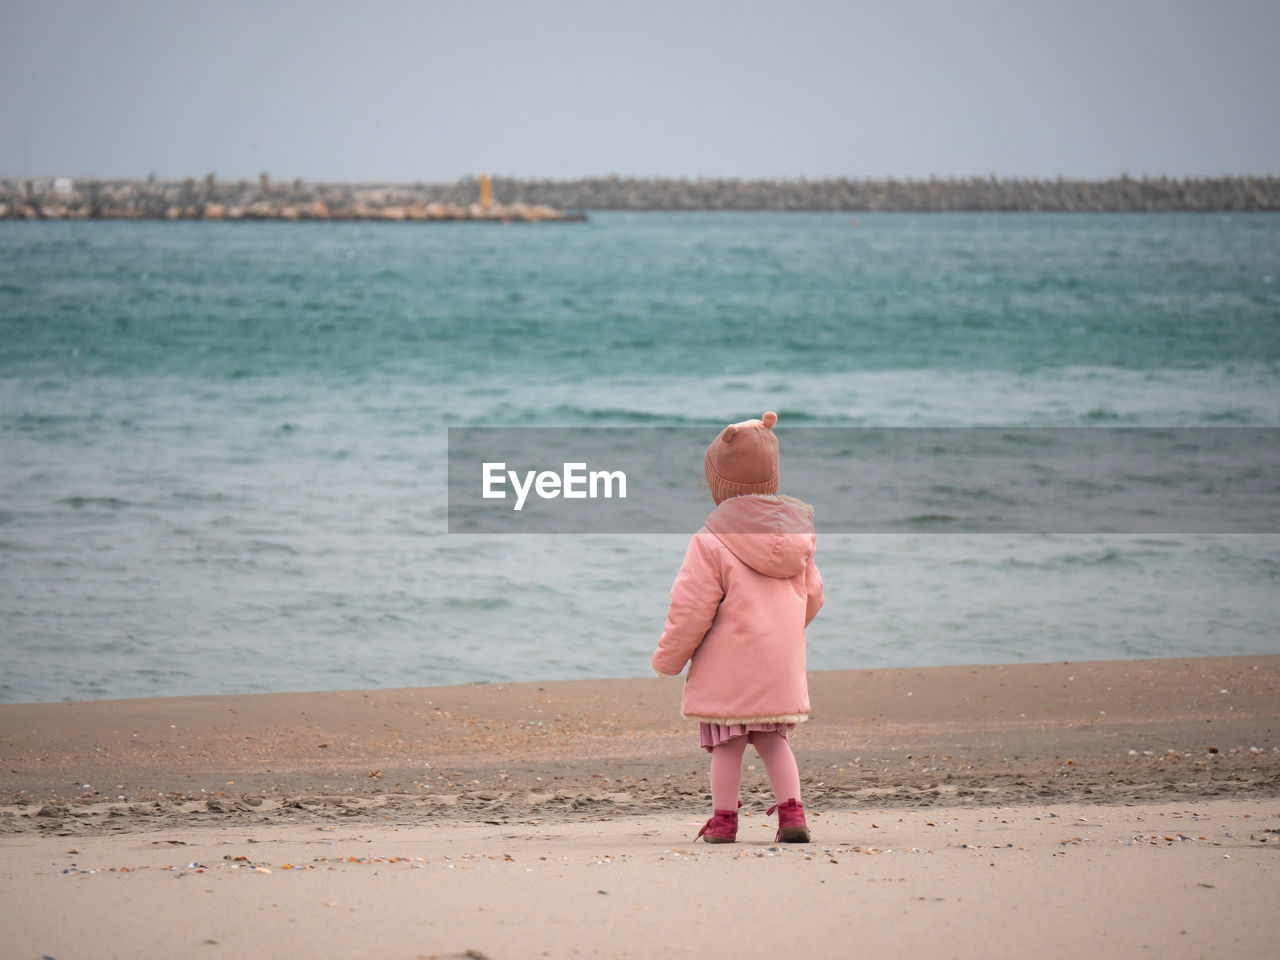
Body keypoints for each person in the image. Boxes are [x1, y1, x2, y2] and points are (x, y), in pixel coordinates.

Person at [652, 411, 824, 843]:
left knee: (726, 745)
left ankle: (724, 821)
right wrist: (782, 631)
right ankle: (792, 815)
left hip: (727, 669)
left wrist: (670, 659)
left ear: (719, 484)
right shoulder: (798, 536)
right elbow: (813, 595)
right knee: (773, 742)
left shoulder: (710, 540)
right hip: (777, 664)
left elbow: (691, 609)